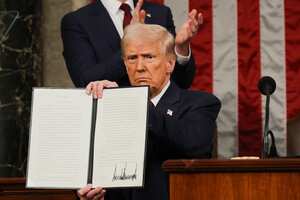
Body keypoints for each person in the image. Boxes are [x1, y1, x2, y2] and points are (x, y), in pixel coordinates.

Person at [78, 23, 221, 200]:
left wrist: (131, 99)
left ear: (170, 64)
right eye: (132, 58)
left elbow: (194, 145)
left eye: (148, 57)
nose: (139, 67)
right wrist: (92, 194)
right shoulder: (108, 105)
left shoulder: (200, 104)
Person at [61, 0, 202, 88]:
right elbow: (84, 80)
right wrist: (131, 42)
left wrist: (180, 49)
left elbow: (182, 82)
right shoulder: (77, 21)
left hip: (160, 120)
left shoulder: (160, 13)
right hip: (113, 117)